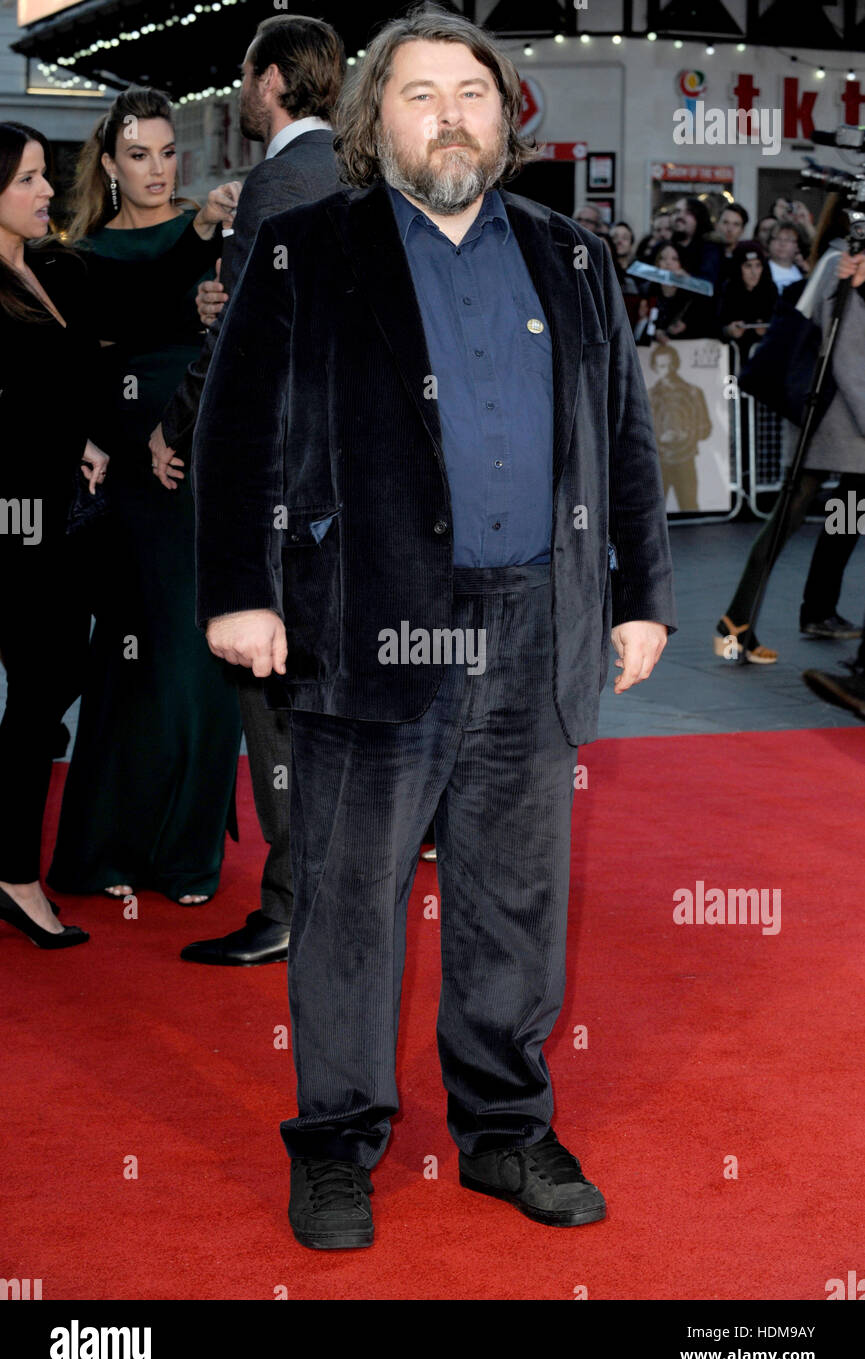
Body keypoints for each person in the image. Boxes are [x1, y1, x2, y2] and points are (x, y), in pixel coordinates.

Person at [193, 4, 675, 1250]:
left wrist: (639, 599)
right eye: (419, 93)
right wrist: (239, 592)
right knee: (350, 903)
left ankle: (506, 1130)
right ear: (373, 119)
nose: (450, 114)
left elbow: (625, 436)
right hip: (369, 627)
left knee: (514, 900)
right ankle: (337, 1145)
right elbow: (233, 430)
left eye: (471, 93)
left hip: (537, 627)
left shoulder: (573, 257)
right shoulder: (308, 249)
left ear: (501, 118)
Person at [148, 16, 346, 965]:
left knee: (266, 690)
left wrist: (172, 426)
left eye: (242, 75)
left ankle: (291, 904)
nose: (237, 90)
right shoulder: (361, 174)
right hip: (351, 484)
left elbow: (240, 341)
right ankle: (337, 885)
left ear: (271, 81)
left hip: (277, 476)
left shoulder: (277, 183)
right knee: (323, 691)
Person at [45, 86, 243, 906]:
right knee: (128, 664)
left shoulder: (213, 235)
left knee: (197, 660)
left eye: (168, 152)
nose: (158, 170)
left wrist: (217, 297)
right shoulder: (83, 253)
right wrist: (128, 444)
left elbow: (243, 335)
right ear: (110, 164)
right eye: (139, 155)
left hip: (197, 463)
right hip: (125, 476)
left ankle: (188, 854)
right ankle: (110, 846)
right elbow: (86, 358)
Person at [0, 122, 107, 948]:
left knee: (49, 686)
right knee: (38, 693)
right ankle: (13, 871)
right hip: (12, 527)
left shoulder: (39, 270)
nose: (47, 192)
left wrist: (80, 442)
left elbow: (51, 391)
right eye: (31, 178)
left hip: (55, 517)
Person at [715, 243, 865, 662]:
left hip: (840, 432)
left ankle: (814, 609)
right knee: (791, 521)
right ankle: (745, 619)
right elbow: (847, 358)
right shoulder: (842, 264)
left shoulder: (838, 264)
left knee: (841, 521)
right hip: (837, 426)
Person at [647, 343, 711, 512]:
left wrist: (685, 434)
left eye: (670, 364)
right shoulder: (649, 395)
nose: (667, 370)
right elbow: (642, 429)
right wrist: (660, 437)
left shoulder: (693, 392)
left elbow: (705, 428)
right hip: (658, 461)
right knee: (655, 512)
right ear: (654, 367)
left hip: (685, 460)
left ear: (677, 364)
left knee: (689, 507)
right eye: (662, 366)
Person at [718, 239, 777, 360]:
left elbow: (780, 324)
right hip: (732, 356)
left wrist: (767, 331)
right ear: (738, 267)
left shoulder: (770, 289)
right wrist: (728, 331)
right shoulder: (727, 289)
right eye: (748, 266)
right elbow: (713, 324)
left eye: (758, 265)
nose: (754, 272)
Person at [649, 241, 718, 341]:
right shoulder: (648, 289)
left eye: (674, 259)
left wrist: (689, 281)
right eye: (662, 258)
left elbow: (705, 318)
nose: (668, 263)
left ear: (681, 264)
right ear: (657, 263)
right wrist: (656, 331)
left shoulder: (692, 296)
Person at [671, 195, 722, 287]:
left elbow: (708, 284)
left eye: (688, 213)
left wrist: (688, 280)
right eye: (677, 211)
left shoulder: (709, 250)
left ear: (699, 218)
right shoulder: (664, 246)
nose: (680, 216)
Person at [766, 220, 806, 291]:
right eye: (777, 238)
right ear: (769, 243)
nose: (782, 244)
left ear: (797, 246)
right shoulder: (760, 270)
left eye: (788, 240)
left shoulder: (804, 273)